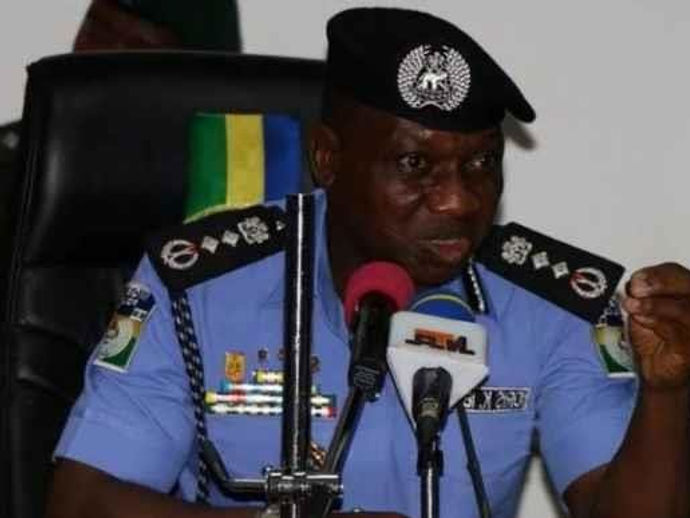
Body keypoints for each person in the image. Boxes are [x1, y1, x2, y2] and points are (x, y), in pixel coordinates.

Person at [45, 7, 690, 518]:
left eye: (481, 162)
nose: (460, 200)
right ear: (328, 159)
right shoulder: (200, 289)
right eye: (415, 164)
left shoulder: (550, 306)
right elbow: (82, 502)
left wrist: (667, 393)